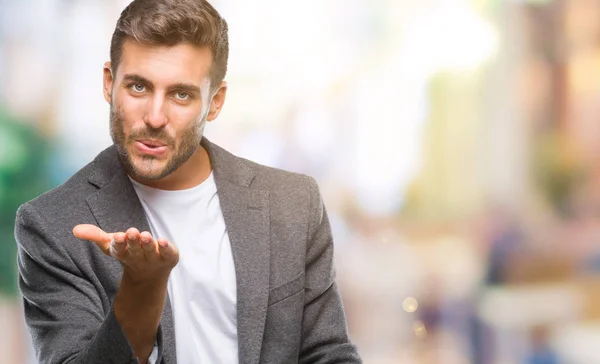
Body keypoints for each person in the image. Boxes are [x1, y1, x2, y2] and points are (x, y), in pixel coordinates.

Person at [14, 1, 361, 363]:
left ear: (215, 102)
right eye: (137, 87)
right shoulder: (51, 225)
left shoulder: (293, 204)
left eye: (181, 94)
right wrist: (143, 289)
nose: (154, 116)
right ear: (108, 83)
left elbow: (328, 353)